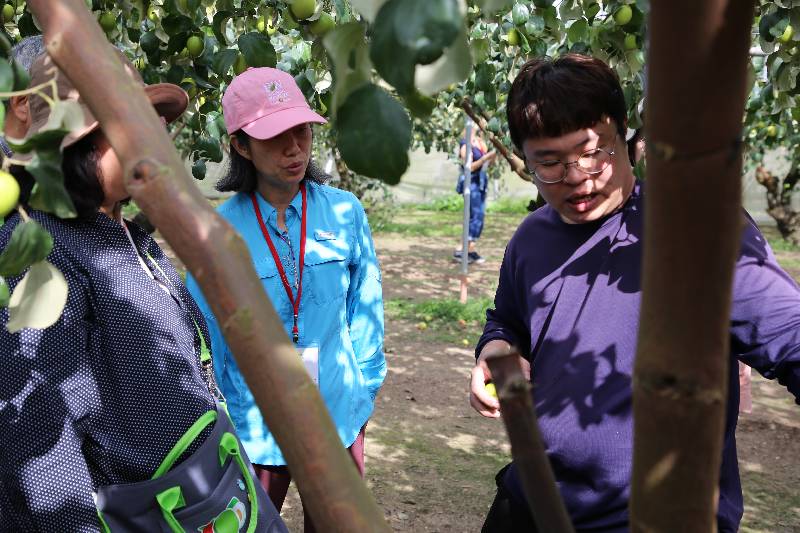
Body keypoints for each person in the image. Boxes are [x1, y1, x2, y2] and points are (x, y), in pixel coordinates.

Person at [469, 54, 800, 532]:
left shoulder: (694, 232)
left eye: (593, 152)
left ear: (625, 134)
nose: (577, 176)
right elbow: (507, 319)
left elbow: (790, 337)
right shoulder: (531, 237)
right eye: (550, 163)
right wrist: (497, 349)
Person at [0, 51, 283, 531]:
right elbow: (41, 443)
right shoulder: (40, 252)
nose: (152, 138)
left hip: (203, 496)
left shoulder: (122, 231)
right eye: (130, 122)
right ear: (75, 143)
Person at [186, 67, 386, 532]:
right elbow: (204, 334)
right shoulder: (218, 232)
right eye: (276, 137)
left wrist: (363, 391)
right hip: (256, 427)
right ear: (241, 146)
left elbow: (365, 306)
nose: (294, 148)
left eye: (302, 131)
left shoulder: (344, 212)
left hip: (337, 416)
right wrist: (227, 411)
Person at [454, 128, 496, 264]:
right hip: (471, 183)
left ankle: (470, 249)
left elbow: (489, 164)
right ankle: (461, 249)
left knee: (479, 216)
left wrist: (494, 156)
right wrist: (486, 157)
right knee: (475, 215)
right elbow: (470, 167)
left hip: (481, 182)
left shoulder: (480, 142)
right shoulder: (465, 143)